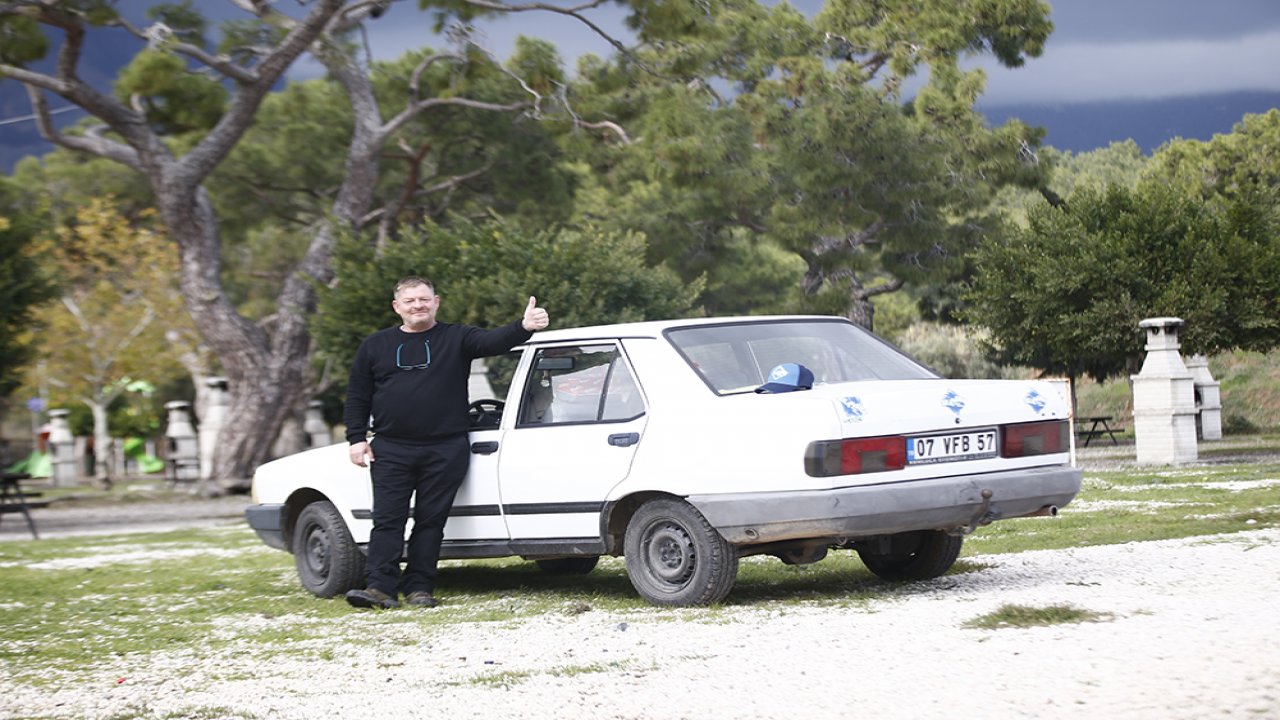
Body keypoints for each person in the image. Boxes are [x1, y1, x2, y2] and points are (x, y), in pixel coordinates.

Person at [342, 276, 549, 609]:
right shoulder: (375, 345)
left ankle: (419, 589)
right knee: (387, 520)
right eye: (410, 301)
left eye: (424, 299)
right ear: (397, 307)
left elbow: (494, 341)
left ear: (436, 302)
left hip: (446, 447)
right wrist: (356, 438)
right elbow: (357, 395)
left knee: (431, 521)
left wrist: (523, 327)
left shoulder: (457, 337)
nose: (418, 306)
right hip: (391, 448)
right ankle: (380, 588)